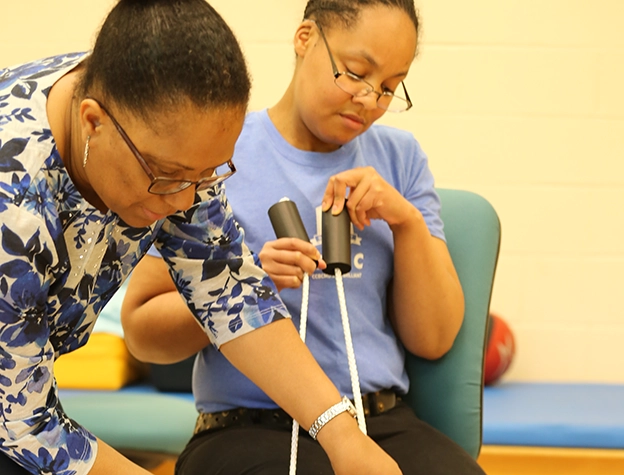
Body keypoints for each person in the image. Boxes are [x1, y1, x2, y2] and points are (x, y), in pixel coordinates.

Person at [0, 1, 400, 474]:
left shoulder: (145, 114)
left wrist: (341, 433)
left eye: (207, 175)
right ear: (92, 122)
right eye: (168, 176)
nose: (183, 201)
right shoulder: (14, 202)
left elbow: (229, 288)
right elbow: (22, 424)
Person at [121, 0, 487, 474]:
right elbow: (143, 333)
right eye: (356, 72)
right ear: (305, 39)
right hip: (249, 427)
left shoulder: (402, 159)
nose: (370, 100)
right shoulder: (218, 154)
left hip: (380, 421)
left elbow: (434, 338)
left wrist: (406, 222)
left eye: (390, 87)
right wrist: (240, 288)